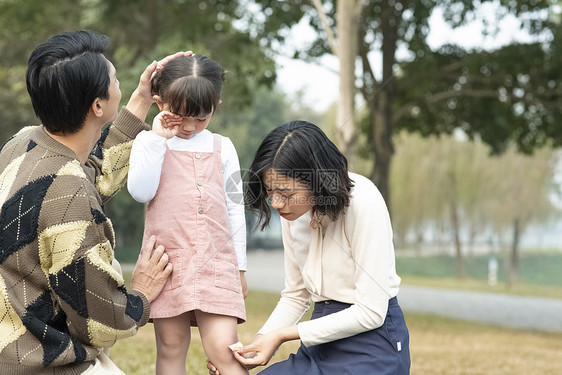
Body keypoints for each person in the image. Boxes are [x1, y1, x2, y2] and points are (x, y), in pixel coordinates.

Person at [0, 30, 190, 374]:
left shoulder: (22, 144)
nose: (120, 82)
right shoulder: (68, 191)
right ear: (98, 106)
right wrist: (141, 294)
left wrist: (141, 99)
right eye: (115, 78)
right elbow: (101, 321)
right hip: (36, 360)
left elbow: (91, 174)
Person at [208, 120, 411, 375]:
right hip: (321, 343)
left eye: (287, 193)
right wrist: (258, 343)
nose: (277, 203)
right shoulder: (293, 213)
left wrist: (282, 335)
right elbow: (296, 295)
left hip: (374, 346)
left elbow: (371, 312)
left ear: (318, 180)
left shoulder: (363, 200)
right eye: (271, 192)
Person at [127, 54, 248, 375]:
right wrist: (157, 140)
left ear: (215, 105)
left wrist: (240, 267)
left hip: (217, 261)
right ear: (159, 102)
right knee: (170, 347)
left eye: (201, 117)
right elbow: (141, 191)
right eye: (180, 116)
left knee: (225, 348)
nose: (191, 126)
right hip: (165, 263)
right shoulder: (147, 142)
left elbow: (236, 206)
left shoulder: (224, 146)